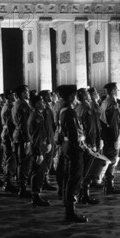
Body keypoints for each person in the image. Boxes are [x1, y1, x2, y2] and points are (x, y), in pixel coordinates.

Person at [57, 85, 88, 223]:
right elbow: (74, 132)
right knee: (74, 178)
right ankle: (70, 211)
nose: (75, 98)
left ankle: (69, 207)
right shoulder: (69, 111)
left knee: (68, 178)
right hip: (73, 148)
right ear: (70, 96)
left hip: (67, 146)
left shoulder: (63, 110)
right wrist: (81, 145)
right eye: (74, 95)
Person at [75, 88, 100, 205]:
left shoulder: (78, 108)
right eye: (86, 93)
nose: (89, 95)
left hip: (82, 142)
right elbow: (90, 128)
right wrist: (93, 144)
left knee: (83, 169)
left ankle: (81, 194)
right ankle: (84, 195)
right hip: (89, 143)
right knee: (88, 170)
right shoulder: (86, 108)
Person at [99, 82, 120, 195]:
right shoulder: (112, 104)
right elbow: (114, 123)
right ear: (114, 90)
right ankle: (109, 185)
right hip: (112, 136)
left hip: (106, 135)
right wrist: (116, 139)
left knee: (108, 159)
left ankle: (107, 184)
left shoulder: (105, 102)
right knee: (112, 161)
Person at [27, 94, 51, 207]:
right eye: (41, 101)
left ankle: (36, 194)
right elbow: (36, 137)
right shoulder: (36, 117)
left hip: (40, 147)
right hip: (38, 148)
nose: (43, 103)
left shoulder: (38, 115)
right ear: (36, 104)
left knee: (39, 172)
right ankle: (35, 196)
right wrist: (39, 153)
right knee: (37, 172)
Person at [12, 85, 32, 198]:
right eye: (26, 91)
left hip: (18, 135)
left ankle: (21, 185)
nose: (28, 93)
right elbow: (24, 124)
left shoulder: (17, 103)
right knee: (24, 162)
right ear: (22, 93)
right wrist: (27, 140)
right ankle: (22, 188)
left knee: (21, 162)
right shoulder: (23, 105)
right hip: (22, 136)